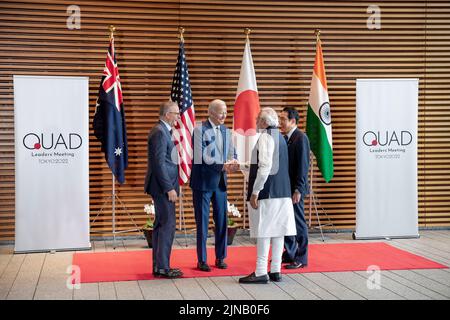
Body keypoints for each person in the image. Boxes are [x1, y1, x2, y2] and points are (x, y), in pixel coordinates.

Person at [239, 107, 296, 284]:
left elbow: (264, 167)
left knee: (264, 231)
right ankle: (276, 270)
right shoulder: (280, 136)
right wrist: (241, 165)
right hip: (283, 192)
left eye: (258, 119)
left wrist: (255, 192)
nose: (255, 122)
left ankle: (261, 271)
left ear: (264, 122)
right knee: (278, 231)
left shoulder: (265, 137)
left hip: (268, 192)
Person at [190, 99, 238, 272]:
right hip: (202, 184)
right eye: (220, 112)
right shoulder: (199, 130)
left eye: (225, 112)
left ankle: (220, 257)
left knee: (222, 221)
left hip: (220, 184)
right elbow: (202, 156)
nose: (224, 115)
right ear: (210, 112)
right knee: (202, 223)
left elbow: (232, 151)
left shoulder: (226, 131)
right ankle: (202, 260)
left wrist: (234, 162)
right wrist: (222, 166)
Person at [144, 101, 183, 279]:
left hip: (162, 186)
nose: (178, 117)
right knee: (167, 225)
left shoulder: (162, 131)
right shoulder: (160, 132)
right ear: (167, 114)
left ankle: (160, 266)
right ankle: (163, 267)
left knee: (161, 226)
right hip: (162, 187)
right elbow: (159, 164)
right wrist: (169, 188)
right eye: (176, 113)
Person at [279, 107, 310, 269]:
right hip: (285, 188)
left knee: (298, 223)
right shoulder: (286, 138)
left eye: (283, 119)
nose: (280, 122)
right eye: (280, 118)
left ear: (293, 121)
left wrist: (298, 189)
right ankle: (289, 253)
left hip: (295, 190)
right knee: (287, 222)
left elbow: (303, 167)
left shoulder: (300, 137)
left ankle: (301, 258)